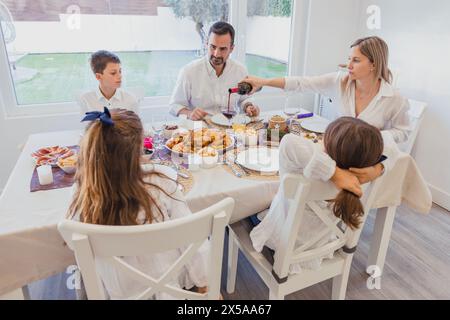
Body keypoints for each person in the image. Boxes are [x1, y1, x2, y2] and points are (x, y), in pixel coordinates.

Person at [67, 108, 209, 299]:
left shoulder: (81, 195)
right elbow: (191, 236)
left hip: (118, 289)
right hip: (166, 283)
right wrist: (204, 282)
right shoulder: (162, 182)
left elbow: (77, 247)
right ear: (137, 150)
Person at [250, 117, 395, 274]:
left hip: (282, 241)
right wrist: (379, 168)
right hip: (321, 243)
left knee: (247, 211)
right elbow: (392, 148)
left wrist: (334, 172)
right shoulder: (363, 175)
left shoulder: (309, 172)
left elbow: (288, 141)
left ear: (326, 147)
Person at [241, 36, 410, 143]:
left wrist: (376, 136)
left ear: (373, 64)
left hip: (366, 157)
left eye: (356, 60)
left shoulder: (393, 98)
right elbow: (301, 83)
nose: (349, 65)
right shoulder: (339, 81)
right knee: (289, 145)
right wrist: (263, 81)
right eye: (349, 59)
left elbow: (403, 132)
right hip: (336, 148)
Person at [169, 21, 260, 120]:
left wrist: (249, 107)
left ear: (231, 49)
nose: (216, 54)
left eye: (223, 49)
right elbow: (174, 106)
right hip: (201, 131)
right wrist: (189, 113)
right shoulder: (189, 72)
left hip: (230, 130)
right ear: (207, 44)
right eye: (213, 47)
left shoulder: (240, 70)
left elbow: (244, 99)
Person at [78, 50, 140, 115]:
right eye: (113, 73)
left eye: (120, 71)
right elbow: (86, 125)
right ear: (98, 76)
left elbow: (136, 125)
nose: (120, 76)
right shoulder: (86, 100)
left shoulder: (131, 100)